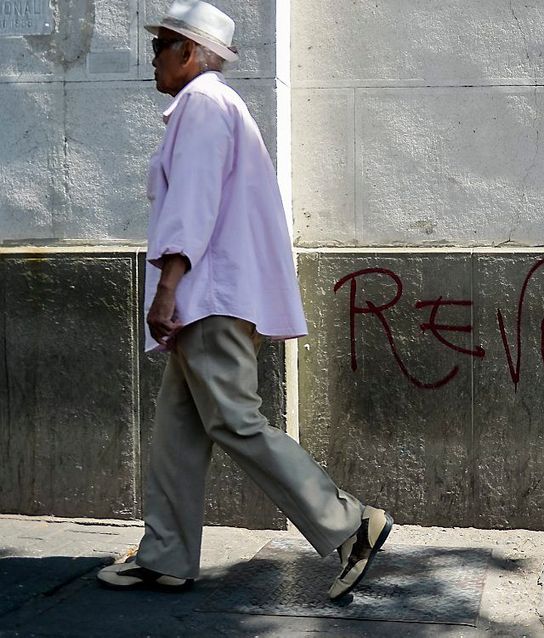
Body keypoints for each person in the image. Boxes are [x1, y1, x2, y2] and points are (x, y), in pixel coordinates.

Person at [96, 0, 391, 600]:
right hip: (214, 295)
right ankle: (165, 556)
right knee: (179, 431)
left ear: (189, 52)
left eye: (161, 45)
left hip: (208, 295)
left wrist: (168, 288)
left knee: (233, 418)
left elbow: (193, 204)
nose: (152, 57)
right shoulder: (211, 106)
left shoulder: (203, 104)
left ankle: (348, 521)